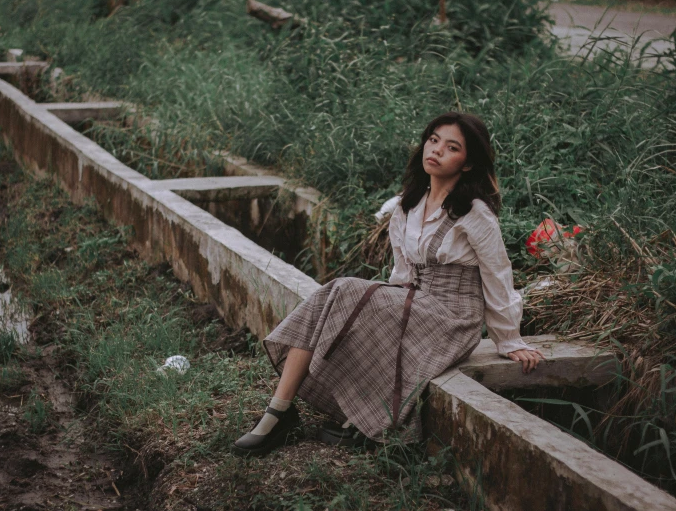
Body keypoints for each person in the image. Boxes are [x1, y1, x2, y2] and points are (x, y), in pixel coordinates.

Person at [232, 112, 545, 457]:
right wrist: (386, 303)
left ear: (467, 163)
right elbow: (402, 271)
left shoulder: (475, 212)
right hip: (416, 302)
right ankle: (280, 410)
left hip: (453, 318)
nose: (437, 150)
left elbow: (498, 274)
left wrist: (509, 339)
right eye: (433, 140)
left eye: (451, 147)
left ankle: (305, 416)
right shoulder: (407, 205)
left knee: (345, 288)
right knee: (339, 295)